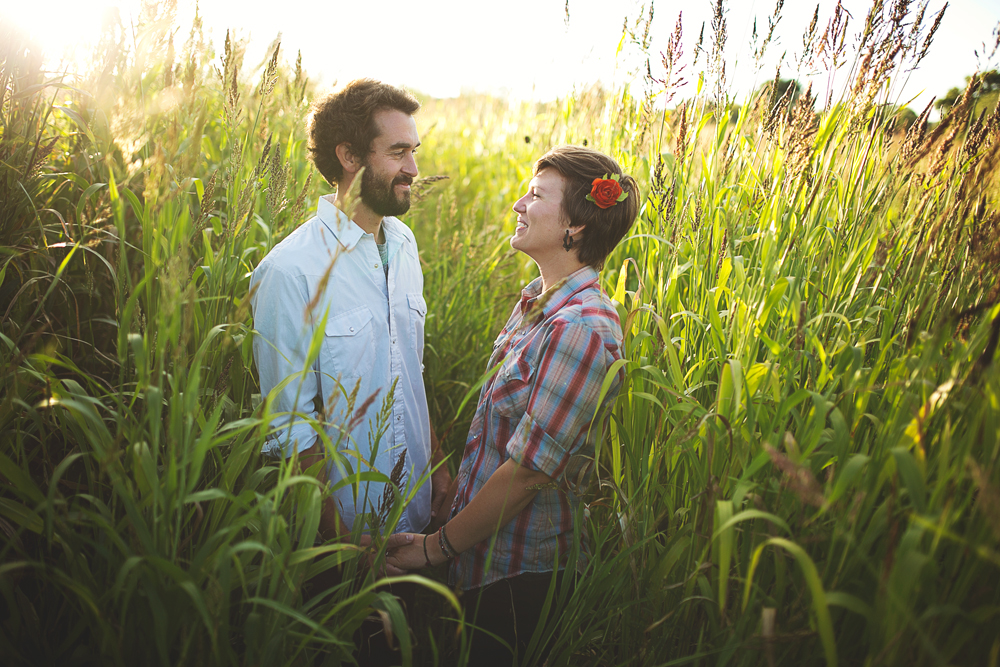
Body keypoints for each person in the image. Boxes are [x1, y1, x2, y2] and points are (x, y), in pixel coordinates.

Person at [387, 145, 638, 666]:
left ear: (577, 228)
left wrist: (434, 548)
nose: (519, 205)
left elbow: (528, 474)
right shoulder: (537, 301)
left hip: (520, 575)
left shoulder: (581, 330)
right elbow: (495, 432)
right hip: (478, 554)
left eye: (537, 195)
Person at [249, 79, 453, 662]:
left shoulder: (406, 244)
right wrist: (344, 549)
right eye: (398, 152)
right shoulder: (290, 272)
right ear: (348, 156)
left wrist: (438, 470)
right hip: (342, 543)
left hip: (418, 524)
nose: (414, 166)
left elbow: (409, 369)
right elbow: (288, 431)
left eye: (414, 150)